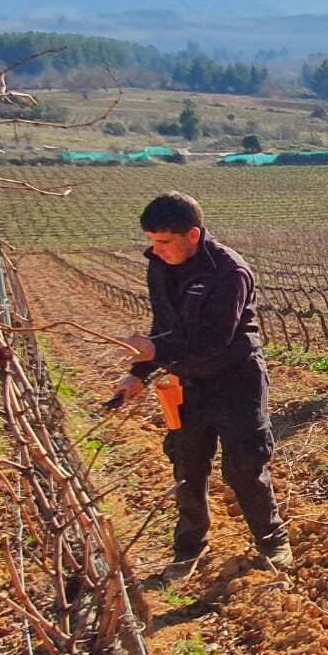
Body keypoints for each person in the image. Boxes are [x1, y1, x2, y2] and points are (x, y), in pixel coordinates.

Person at [111, 192, 291, 580]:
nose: (154, 251)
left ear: (192, 235)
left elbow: (215, 340)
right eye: (151, 241)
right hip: (187, 382)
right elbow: (163, 324)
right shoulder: (158, 266)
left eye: (163, 242)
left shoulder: (230, 272)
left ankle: (273, 540)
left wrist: (156, 349)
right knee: (186, 465)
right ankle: (189, 547)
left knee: (244, 466)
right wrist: (138, 374)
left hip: (236, 380)